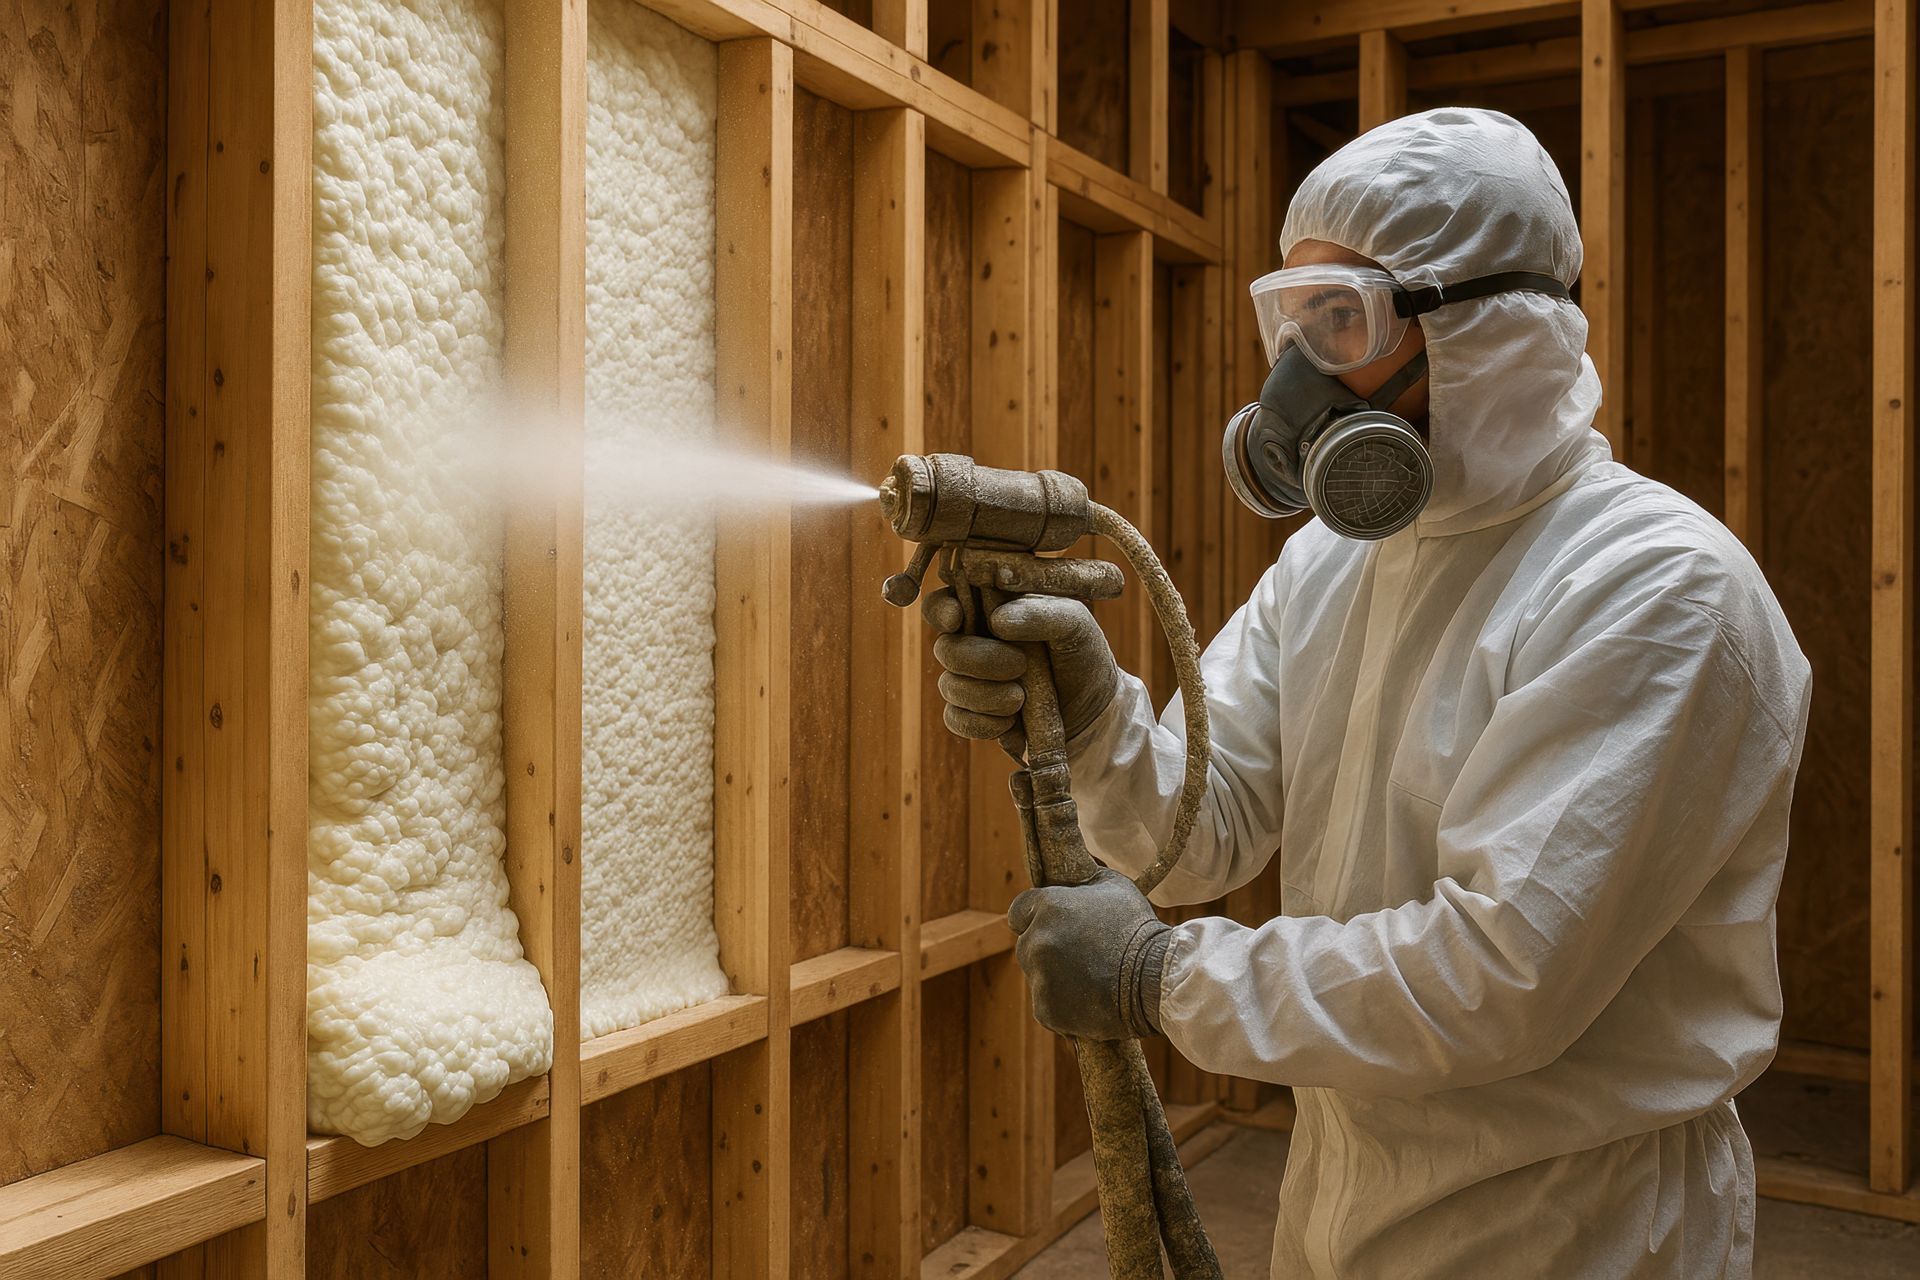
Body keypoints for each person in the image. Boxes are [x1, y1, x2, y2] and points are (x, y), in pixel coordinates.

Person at [922, 108, 1811, 1278]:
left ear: (1488, 333)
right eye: (1294, 323)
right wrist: (1095, 714)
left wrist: (1164, 978)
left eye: (1344, 323)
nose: (1299, 381)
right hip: (1346, 1178)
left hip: (1570, 1222)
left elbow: (1500, 975)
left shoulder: (1657, 589)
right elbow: (1201, 832)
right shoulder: (1340, 561)